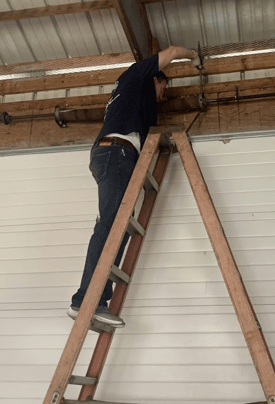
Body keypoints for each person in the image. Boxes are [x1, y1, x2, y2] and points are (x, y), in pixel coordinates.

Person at [67, 45, 199, 327]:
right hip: (116, 153)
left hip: (116, 156)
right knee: (110, 225)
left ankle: (97, 298)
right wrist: (195, 56)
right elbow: (173, 51)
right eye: (164, 87)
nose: (163, 95)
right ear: (156, 78)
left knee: (119, 226)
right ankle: (84, 300)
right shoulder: (135, 76)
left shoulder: (133, 102)